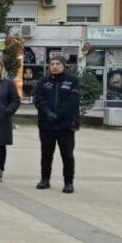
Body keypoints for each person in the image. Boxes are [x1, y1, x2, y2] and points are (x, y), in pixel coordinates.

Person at [34, 56, 81, 193]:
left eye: (58, 64)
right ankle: (45, 180)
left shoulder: (72, 81)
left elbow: (72, 101)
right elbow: (39, 99)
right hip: (46, 125)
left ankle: (68, 182)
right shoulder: (43, 82)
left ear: (64, 65)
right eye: (52, 64)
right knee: (46, 155)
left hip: (65, 125)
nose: (54, 66)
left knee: (67, 155)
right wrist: (48, 113)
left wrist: (58, 115)